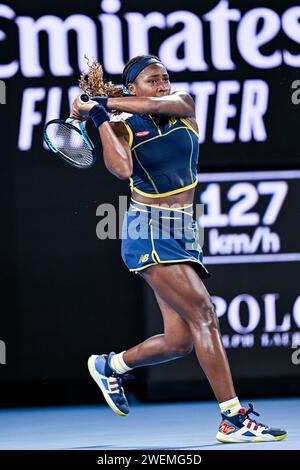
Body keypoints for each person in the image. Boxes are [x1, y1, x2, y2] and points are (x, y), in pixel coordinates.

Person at [70, 55, 287, 443]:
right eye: (153, 80)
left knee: (179, 342)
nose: (163, 85)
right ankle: (233, 418)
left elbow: (156, 105)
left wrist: (102, 102)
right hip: (149, 228)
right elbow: (121, 169)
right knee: (205, 314)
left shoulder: (183, 104)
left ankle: (109, 365)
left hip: (184, 227)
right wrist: (101, 118)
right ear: (134, 86)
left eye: (165, 77)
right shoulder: (122, 127)